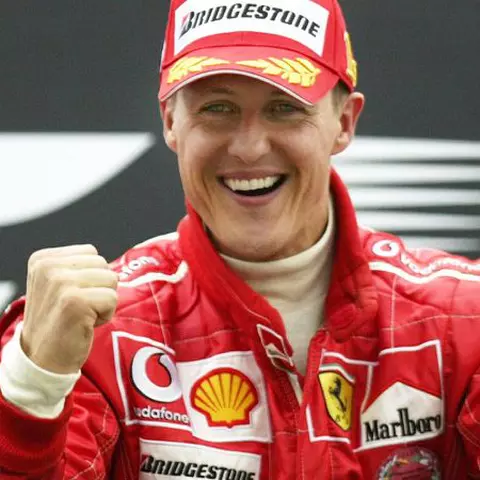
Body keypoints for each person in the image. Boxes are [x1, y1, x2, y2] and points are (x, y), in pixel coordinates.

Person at [1, 0, 480, 478]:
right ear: (170, 122)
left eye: (284, 108)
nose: (250, 147)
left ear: (344, 123)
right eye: (217, 108)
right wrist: (32, 388)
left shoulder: (462, 320)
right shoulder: (100, 337)